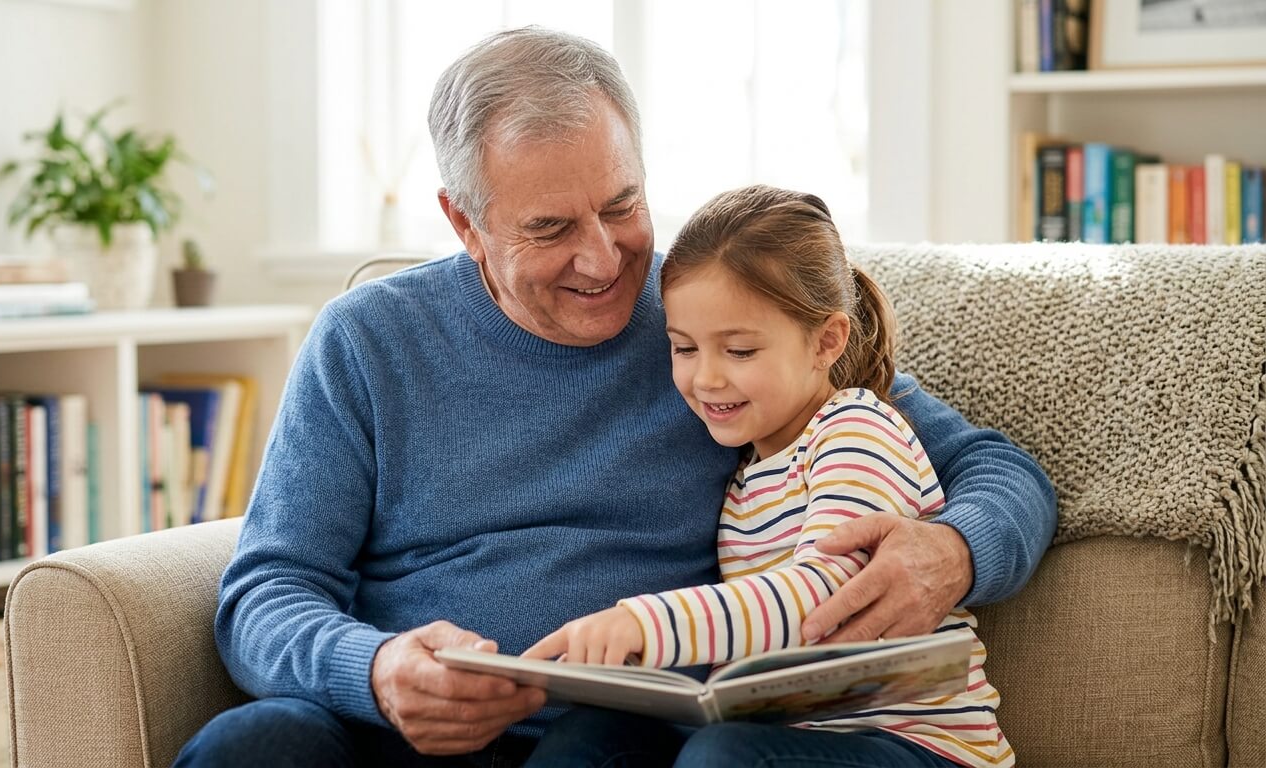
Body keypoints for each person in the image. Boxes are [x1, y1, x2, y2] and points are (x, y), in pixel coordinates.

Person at [174, 27, 1055, 768]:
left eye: (622, 205)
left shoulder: (716, 322)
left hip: (622, 731)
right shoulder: (365, 341)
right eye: (550, 228)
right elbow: (267, 591)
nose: (603, 260)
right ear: (463, 222)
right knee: (255, 745)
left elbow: (994, 467)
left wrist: (952, 551)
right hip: (411, 734)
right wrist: (374, 670)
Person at [522, 186, 1010, 768]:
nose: (706, 379)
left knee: (723, 755)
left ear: (826, 341)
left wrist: (643, 623)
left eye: (740, 351)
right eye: (684, 349)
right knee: (590, 737)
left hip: (917, 749)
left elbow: (820, 597)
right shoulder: (745, 477)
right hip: (792, 735)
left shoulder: (855, 429)